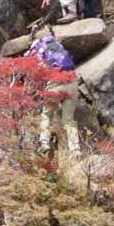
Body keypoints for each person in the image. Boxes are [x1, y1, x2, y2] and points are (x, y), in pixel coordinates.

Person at [26, 25, 80, 157]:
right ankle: (75, 150)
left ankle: (44, 143)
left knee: (47, 115)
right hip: (72, 81)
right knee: (68, 120)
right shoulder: (57, 43)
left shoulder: (36, 47)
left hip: (55, 84)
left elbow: (33, 69)